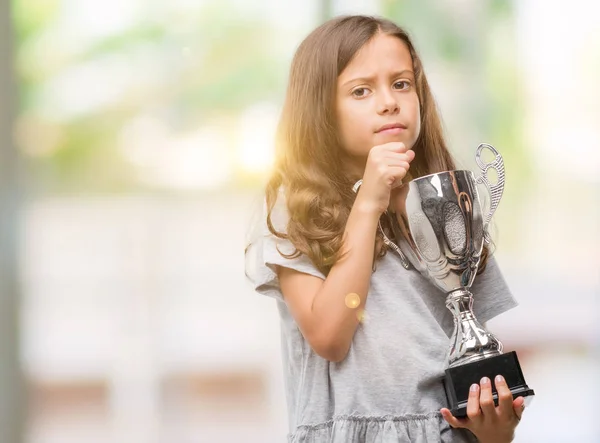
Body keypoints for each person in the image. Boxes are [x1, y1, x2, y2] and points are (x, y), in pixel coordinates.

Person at [245, 14, 525, 443]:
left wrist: (496, 430)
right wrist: (369, 202)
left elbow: (474, 344)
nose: (389, 102)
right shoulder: (293, 206)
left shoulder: (445, 202)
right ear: (320, 109)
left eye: (401, 83)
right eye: (361, 90)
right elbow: (329, 336)